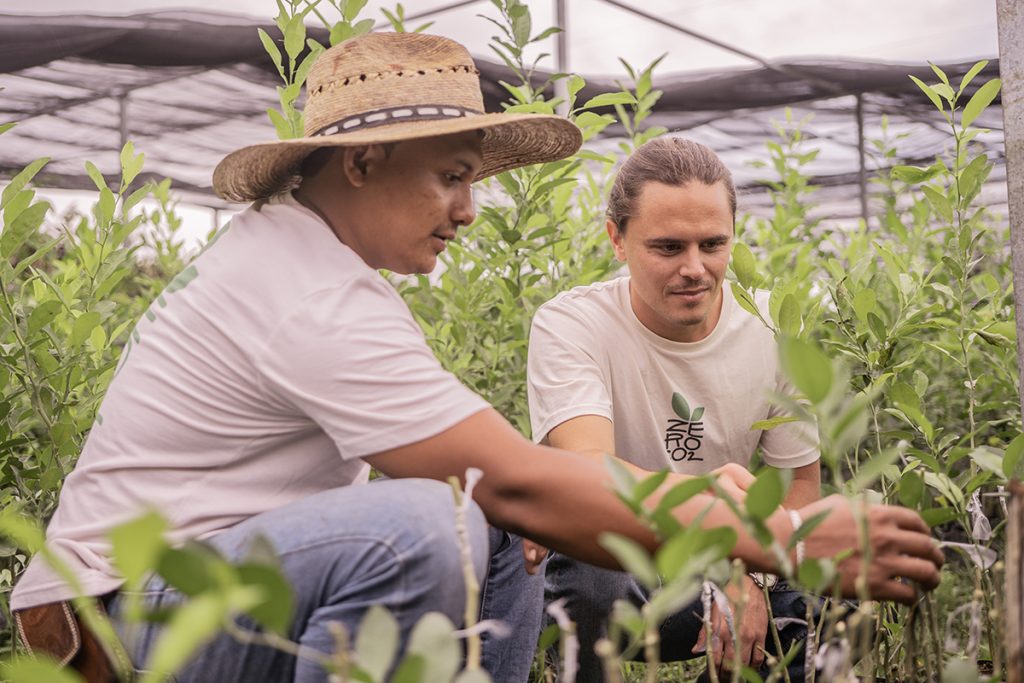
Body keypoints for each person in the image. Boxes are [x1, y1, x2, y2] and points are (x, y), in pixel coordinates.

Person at [11, 32, 942, 683]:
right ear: (363, 165)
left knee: (489, 530)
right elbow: (527, 476)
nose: (468, 209)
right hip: (120, 618)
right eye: (452, 176)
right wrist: (770, 535)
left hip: (201, 584)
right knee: (426, 524)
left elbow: (505, 478)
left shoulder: (317, 266)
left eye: (471, 180)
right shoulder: (307, 291)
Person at [526, 137, 833, 681]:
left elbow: (799, 493)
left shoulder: (772, 325)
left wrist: (750, 573)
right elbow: (589, 474)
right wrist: (714, 547)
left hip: (738, 569)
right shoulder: (572, 324)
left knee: (837, 578)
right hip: (632, 571)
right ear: (616, 240)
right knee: (587, 563)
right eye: (668, 248)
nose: (695, 269)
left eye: (713, 244)